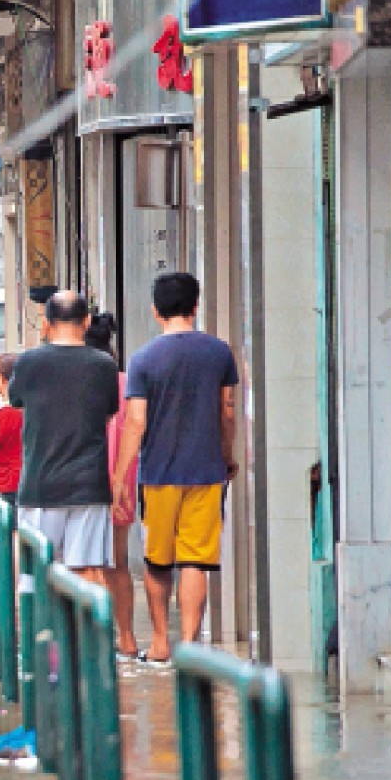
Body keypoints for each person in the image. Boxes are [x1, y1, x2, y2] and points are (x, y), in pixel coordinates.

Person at [112, 273, 239, 663]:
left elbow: (135, 422)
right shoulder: (219, 353)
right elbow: (228, 409)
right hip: (206, 471)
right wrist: (226, 453)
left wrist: (120, 476)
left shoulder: (144, 359)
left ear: (155, 310)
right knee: (195, 560)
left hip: (158, 474)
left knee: (158, 560)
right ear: (195, 306)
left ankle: (161, 644)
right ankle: (189, 642)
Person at [8, 291, 120, 586]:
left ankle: (38, 631)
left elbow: (16, 400)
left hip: (40, 481)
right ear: (86, 321)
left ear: (45, 323)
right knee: (87, 570)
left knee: (36, 571)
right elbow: (108, 414)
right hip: (89, 484)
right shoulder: (104, 365)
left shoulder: (29, 362)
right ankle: (87, 633)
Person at [83, 312, 139, 658]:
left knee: (90, 562)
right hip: (125, 480)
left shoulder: (83, 382)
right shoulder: (129, 382)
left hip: (86, 480)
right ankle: (128, 639)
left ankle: (97, 641)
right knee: (118, 563)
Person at [0, 352, 23, 520]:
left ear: (2, 379)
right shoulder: (30, 409)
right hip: (28, 478)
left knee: (9, 534)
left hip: (7, 482)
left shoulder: (3, 414)